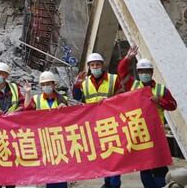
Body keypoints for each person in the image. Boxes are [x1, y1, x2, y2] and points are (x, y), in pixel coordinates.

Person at [118, 47, 178, 188]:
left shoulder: (161, 89)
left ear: (152, 73)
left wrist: (160, 101)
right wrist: (128, 58)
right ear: (138, 73)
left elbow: (173, 105)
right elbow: (121, 72)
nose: (144, 74)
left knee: (159, 168)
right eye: (141, 71)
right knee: (144, 167)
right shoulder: (133, 85)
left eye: (147, 71)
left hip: (157, 134)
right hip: (140, 134)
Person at [73, 52, 123, 188]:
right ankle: (107, 183)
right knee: (104, 156)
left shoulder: (113, 79)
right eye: (92, 65)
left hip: (111, 124)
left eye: (97, 64)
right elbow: (78, 98)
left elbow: (122, 97)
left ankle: (115, 184)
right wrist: (76, 85)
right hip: (94, 125)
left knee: (114, 155)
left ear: (102, 65)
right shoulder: (85, 82)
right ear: (89, 67)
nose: (95, 67)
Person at [22, 72, 68, 188]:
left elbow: (71, 118)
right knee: (50, 174)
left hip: (59, 141)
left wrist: (67, 109)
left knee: (61, 173)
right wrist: (28, 93)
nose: (46, 87)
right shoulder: (37, 99)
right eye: (43, 84)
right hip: (44, 141)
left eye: (48, 84)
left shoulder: (63, 100)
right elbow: (27, 111)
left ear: (54, 85)